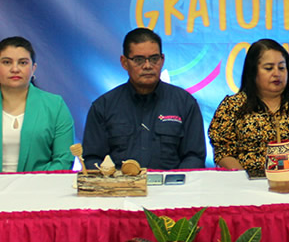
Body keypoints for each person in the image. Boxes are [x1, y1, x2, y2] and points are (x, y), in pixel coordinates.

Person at [83, 28, 206, 170]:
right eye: (139, 60)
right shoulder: (103, 107)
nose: (147, 66)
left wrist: (174, 184)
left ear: (162, 60)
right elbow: (92, 159)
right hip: (120, 189)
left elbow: (194, 157)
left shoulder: (185, 103)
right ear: (124, 62)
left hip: (171, 189)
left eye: (154, 59)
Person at [208, 39, 289, 177]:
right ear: (252, 71)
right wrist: (244, 179)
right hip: (249, 184)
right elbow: (223, 152)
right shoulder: (232, 106)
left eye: (281, 67)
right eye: (268, 68)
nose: (277, 74)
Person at [0, 37, 76, 173]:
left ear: (33, 69)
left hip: (41, 190)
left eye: (23, 63)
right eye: (7, 62)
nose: (15, 69)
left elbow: (63, 160)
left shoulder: (56, 106)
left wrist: (30, 188)